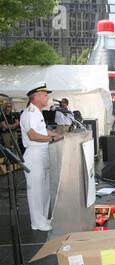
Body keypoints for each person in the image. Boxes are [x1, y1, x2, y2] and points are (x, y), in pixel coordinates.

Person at [20, 82, 63, 231]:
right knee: (36, 192)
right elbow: (33, 135)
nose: (47, 97)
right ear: (36, 97)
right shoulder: (30, 112)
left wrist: (58, 135)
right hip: (34, 154)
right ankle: (37, 223)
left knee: (45, 190)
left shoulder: (37, 112)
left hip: (43, 153)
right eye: (45, 95)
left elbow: (43, 130)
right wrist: (53, 139)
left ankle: (44, 219)